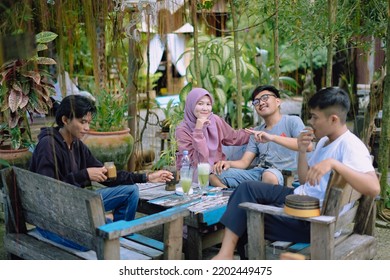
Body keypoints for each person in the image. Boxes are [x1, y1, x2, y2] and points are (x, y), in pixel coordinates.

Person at [212, 86, 380, 260]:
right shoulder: (324, 141)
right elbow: (305, 179)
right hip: (303, 201)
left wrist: (334, 164)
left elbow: (374, 188)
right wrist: (301, 150)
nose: (311, 122)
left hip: (313, 222)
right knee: (246, 190)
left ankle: (229, 256)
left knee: (243, 215)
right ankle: (226, 253)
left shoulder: (350, 145)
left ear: (333, 119)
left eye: (315, 117)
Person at [30, 94, 173, 224]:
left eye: (89, 122)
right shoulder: (48, 145)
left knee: (131, 191)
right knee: (104, 229)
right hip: (55, 216)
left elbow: (109, 176)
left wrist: (147, 177)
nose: (87, 127)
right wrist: (84, 175)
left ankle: (120, 236)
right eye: (82, 122)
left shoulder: (77, 145)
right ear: (65, 120)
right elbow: (47, 191)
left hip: (76, 202)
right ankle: (112, 235)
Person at [213, 85, 311, 188]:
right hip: (257, 173)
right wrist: (228, 163)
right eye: (256, 102)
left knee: (269, 176)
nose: (261, 103)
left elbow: (307, 146)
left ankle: (256, 195)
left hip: (282, 175)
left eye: (265, 98)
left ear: (278, 101)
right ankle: (233, 197)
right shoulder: (256, 132)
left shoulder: (292, 121)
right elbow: (244, 162)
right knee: (215, 174)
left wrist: (272, 137)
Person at [175, 87, 251, 184]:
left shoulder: (214, 120)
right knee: (211, 176)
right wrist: (198, 130)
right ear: (191, 105)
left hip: (217, 168)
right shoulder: (182, 129)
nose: (205, 108)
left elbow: (234, 137)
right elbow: (198, 160)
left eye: (208, 104)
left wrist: (256, 132)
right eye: (200, 104)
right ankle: (225, 196)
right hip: (195, 171)